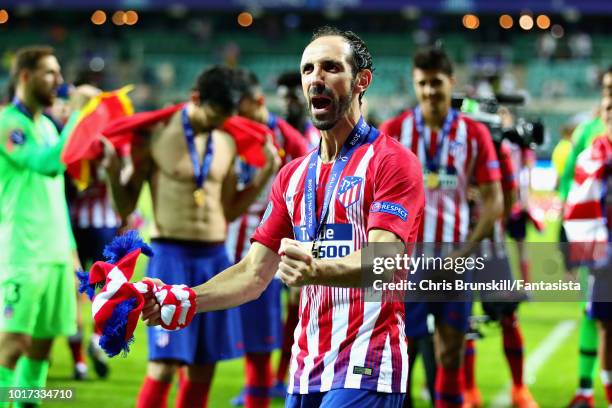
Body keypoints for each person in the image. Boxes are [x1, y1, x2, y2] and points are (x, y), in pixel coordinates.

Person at [142, 26, 425, 407]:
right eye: (308, 69)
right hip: (307, 367)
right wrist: (187, 298)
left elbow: (385, 262)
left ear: (362, 81)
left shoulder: (393, 162)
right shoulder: (292, 176)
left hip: (367, 362)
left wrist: (317, 270)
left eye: (330, 68)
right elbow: (253, 273)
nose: (315, 79)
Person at [103, 66, 281, 408]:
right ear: (195, 99)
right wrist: (113, 172)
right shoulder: (155, 134)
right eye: (215, 115)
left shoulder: (227, 140)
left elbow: (228, 211)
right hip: (170, 255)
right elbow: (126, 203)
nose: (219, 123)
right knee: (164, 366)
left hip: (215, 259)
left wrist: (264, 176)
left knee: (203, 367)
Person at [379, 47, 503, 407]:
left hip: (453, 259)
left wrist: (465, 253)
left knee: (450, 355)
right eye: (423, 83)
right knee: (393, 356)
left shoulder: (474, 133)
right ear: (414, 85)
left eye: (437, 82)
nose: (430, 91)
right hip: (402, 262)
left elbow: (495, 202)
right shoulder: (394, 131)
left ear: (451, 82)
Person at [0, 46, 95, 406]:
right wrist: (78, 116)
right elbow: (46, 163)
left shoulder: (43, 124)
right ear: (25, 76)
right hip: (22, 253)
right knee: (13, 345)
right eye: (50, 73)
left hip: (55, 253)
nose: (59, 80)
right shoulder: (9, 123)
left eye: (58, 72)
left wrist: (71, 254)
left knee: (41, 348)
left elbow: (54, 196)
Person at [227, 68, 308, 407]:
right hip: (229, 249)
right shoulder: (229, 135)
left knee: (266, 340)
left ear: (258, 102)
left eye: (241, 111)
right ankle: (263, 385)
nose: (236, 119)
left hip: (274, 252)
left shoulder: (291, 139)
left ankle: (277, 381)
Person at [563, 66, 612, 408]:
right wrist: (569, 234)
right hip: (598, 242)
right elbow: (569, 181)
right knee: (595, 314)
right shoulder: (589, 134)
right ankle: (585, 389)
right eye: (608, 89)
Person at [277, 71, 321, 148]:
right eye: (283, 98)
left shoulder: (320, 135)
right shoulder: (274, 136)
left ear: (307, 98)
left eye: (293, 97)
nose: (287, 103)